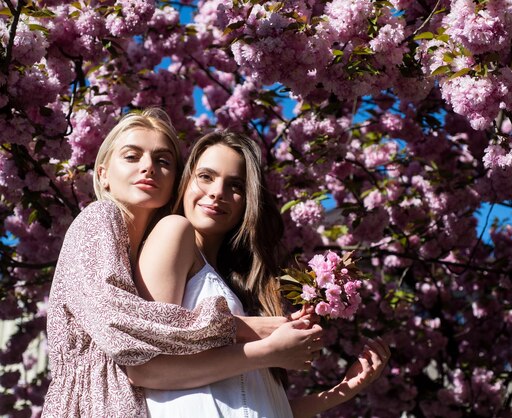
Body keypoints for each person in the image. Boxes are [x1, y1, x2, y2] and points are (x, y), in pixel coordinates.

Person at [43, 109, 312, 418]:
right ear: (103, 174)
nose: (148, 168)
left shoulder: (141, 248)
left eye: (163, 161)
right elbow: (118, 320)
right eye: (132, 157)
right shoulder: (99, 218)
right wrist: (245, 329)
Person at [128, 131, 391, 417]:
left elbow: (253, 400)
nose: (218, 192)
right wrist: (268, 351)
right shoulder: (174, 230)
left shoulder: (241, 284)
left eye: (235, 185)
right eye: (206, 176)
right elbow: (146, 368)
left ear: (247, 201)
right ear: (185, 181)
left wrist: (342, 390)